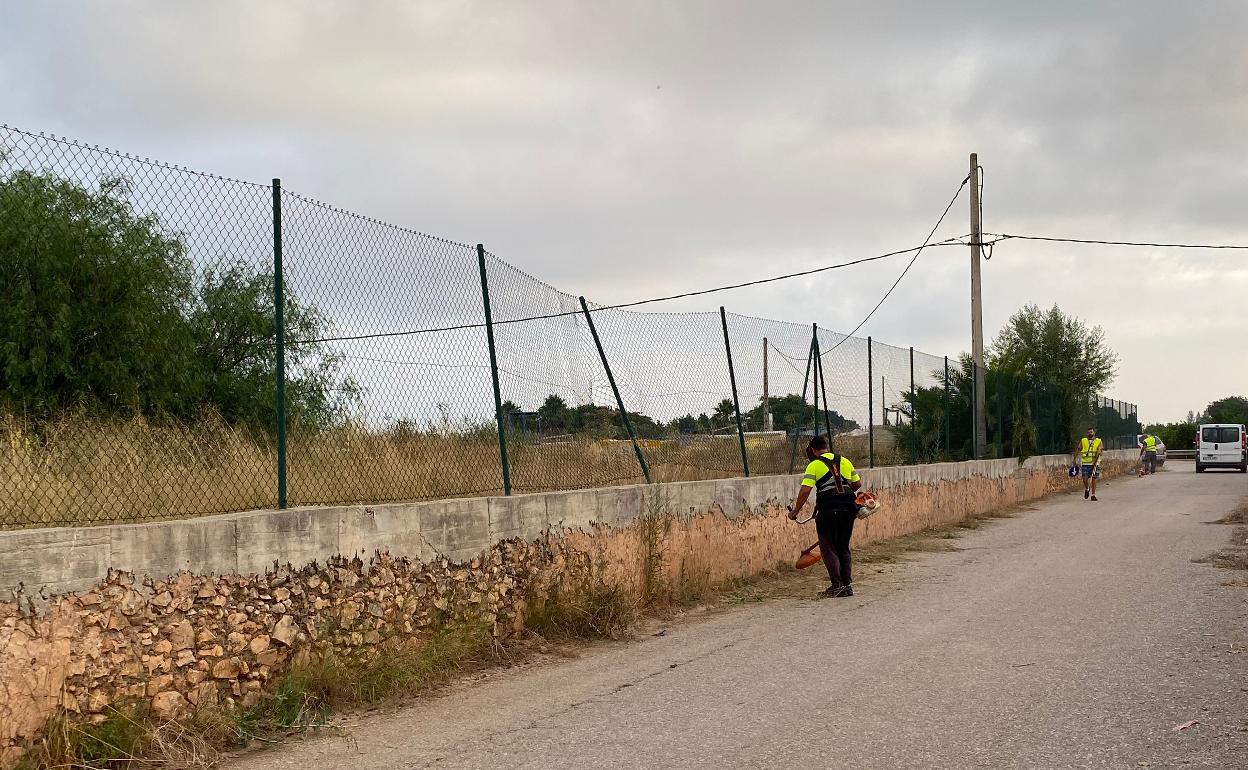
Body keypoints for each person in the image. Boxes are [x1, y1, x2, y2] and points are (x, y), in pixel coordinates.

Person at [788, 435, 863, 598]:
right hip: (849, 510)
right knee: (842, 546)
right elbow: (857, 484)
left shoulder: (814, 465)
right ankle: (847, 586)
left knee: (828, 548)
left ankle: (836, 586)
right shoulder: (844, 460)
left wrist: (795, 511)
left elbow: (805, 490)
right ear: (825, 447)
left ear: (813, 450)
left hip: (828, 511)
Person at [1073, 427, 1104, 501]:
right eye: (1089, 432)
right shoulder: (1083, 440)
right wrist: (1074, 458)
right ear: (1087, 433)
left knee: (1094, 479)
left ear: (1094, 433)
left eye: (1091, 432)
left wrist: (1096, 459)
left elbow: (1100, 450)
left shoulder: (1099, 441)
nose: (1090, 433)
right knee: (1084, 478)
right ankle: (1087, 488)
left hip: (1095, 463)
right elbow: (1078, 449)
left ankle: (1093, 495)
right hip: (1085, 463)